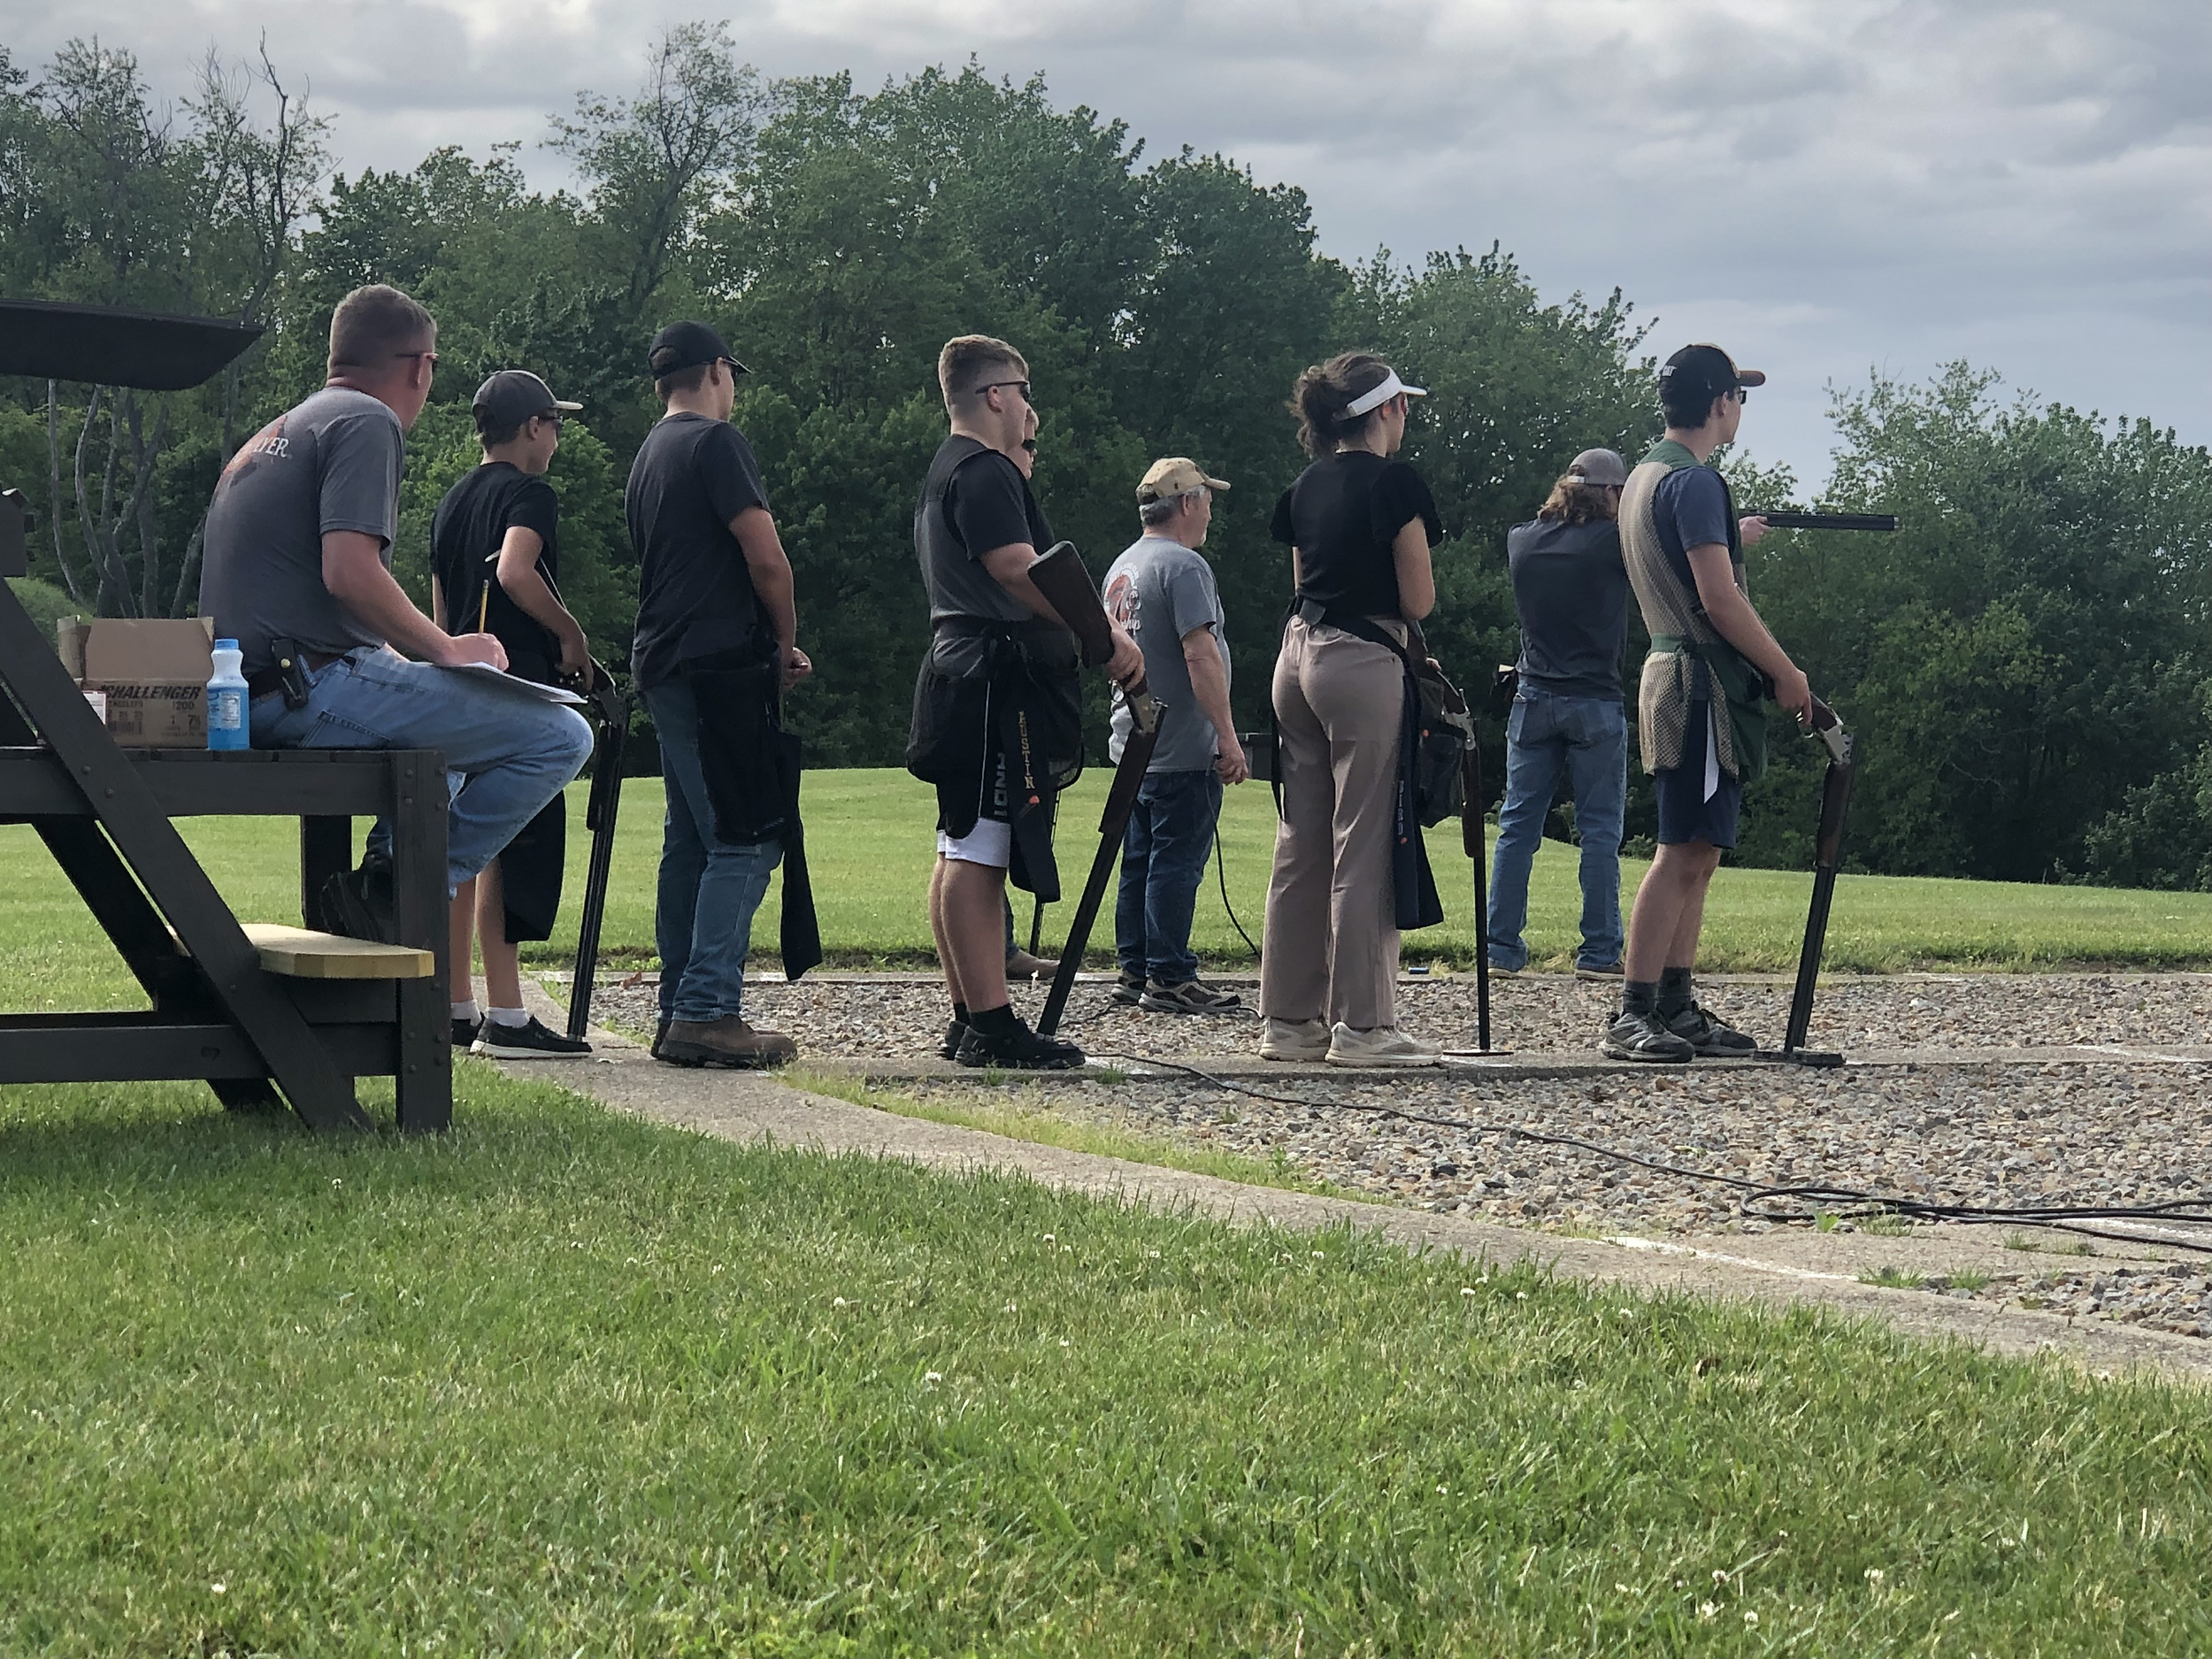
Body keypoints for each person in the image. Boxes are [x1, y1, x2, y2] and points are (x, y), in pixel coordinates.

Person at [200, 284, 595, 949]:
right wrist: (444, 648)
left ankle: (384, 878)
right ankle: (398, 890)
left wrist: (417, 657)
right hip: (306, 686)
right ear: (420, 367)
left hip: (241, 694)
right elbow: (349, 572)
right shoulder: (366, 421)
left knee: (457, 743)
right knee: (561, 733)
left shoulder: (282, 429)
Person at [909, 334, 1141, 1070]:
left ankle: (967, 1014)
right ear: (994, 395)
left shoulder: (947, 472)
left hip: (963, 672)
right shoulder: (982, 473)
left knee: (960, 844)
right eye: (1025, 388)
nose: (1031, 405)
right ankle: (991, 1022)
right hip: (992, 681)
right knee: (979, 849)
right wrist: (1102, 633)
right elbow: (1017, 567)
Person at [1607, 343, 1813, 1063]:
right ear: (1721, 402)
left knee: (1703, 850)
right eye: (1737, 397)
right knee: (1682, 849)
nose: (1738, 411)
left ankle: (1675, 1002)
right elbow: (1719, 599)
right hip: (1699, 684)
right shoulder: (1695, 483)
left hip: (1679, 673)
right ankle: (1635, 1008)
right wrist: (1786, 671)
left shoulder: (1643, 475)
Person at [626, 320, 811, 1070]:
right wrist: (781, 643)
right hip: (716, 664)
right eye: (734, 373)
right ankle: (707, 1009)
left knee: (691, 840)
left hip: (664, 658)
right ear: (715, 371)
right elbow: (766, 555)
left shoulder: (649, 453)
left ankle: (678, 1004)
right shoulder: (714, 443)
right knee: (747, 836)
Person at [1260, 351, 1445, 1068]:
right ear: (1387, 410)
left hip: (1296, 656)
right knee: (1362, 839)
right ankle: (1365, 1026)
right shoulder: (1394, 482)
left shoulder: (1305, 484)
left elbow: (1304, 581)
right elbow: (1417, 599)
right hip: (1362, 660)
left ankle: (1289, 1017)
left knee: (1299, 842)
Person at [429, 369, 595, 1060]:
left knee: (461, 844)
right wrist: (571, 634)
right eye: (554, 424)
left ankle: (454, 1004)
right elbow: (515, 572)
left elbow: (440, 602)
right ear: (532, 426)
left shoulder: (450, 501)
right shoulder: (530, 493)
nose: (557, 438)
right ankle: (507, 1013)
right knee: (510, 839)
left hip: (456, 675)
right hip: (516, 680)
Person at [1104, 457, 1248, 1013]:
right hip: (1182, 743)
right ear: (1187, 503)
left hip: (1133, 742)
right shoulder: (1186, 567)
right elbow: (1200, 654)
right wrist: (1227, 737)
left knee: (1137, 858)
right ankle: (1169, 976)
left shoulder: (1122, 565)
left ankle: (1133, 969)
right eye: (1207, 499)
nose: (1211, 509)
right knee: (1176, 861)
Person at [1486, 448, 1632, 980]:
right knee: (1598, 833)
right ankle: (1597, 953)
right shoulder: (1615, 543)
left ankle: (1500, 948)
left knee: (1517, 826)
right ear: (1611, 493)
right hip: (1595, 699)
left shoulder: (1521, 540)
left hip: (1532, 696)